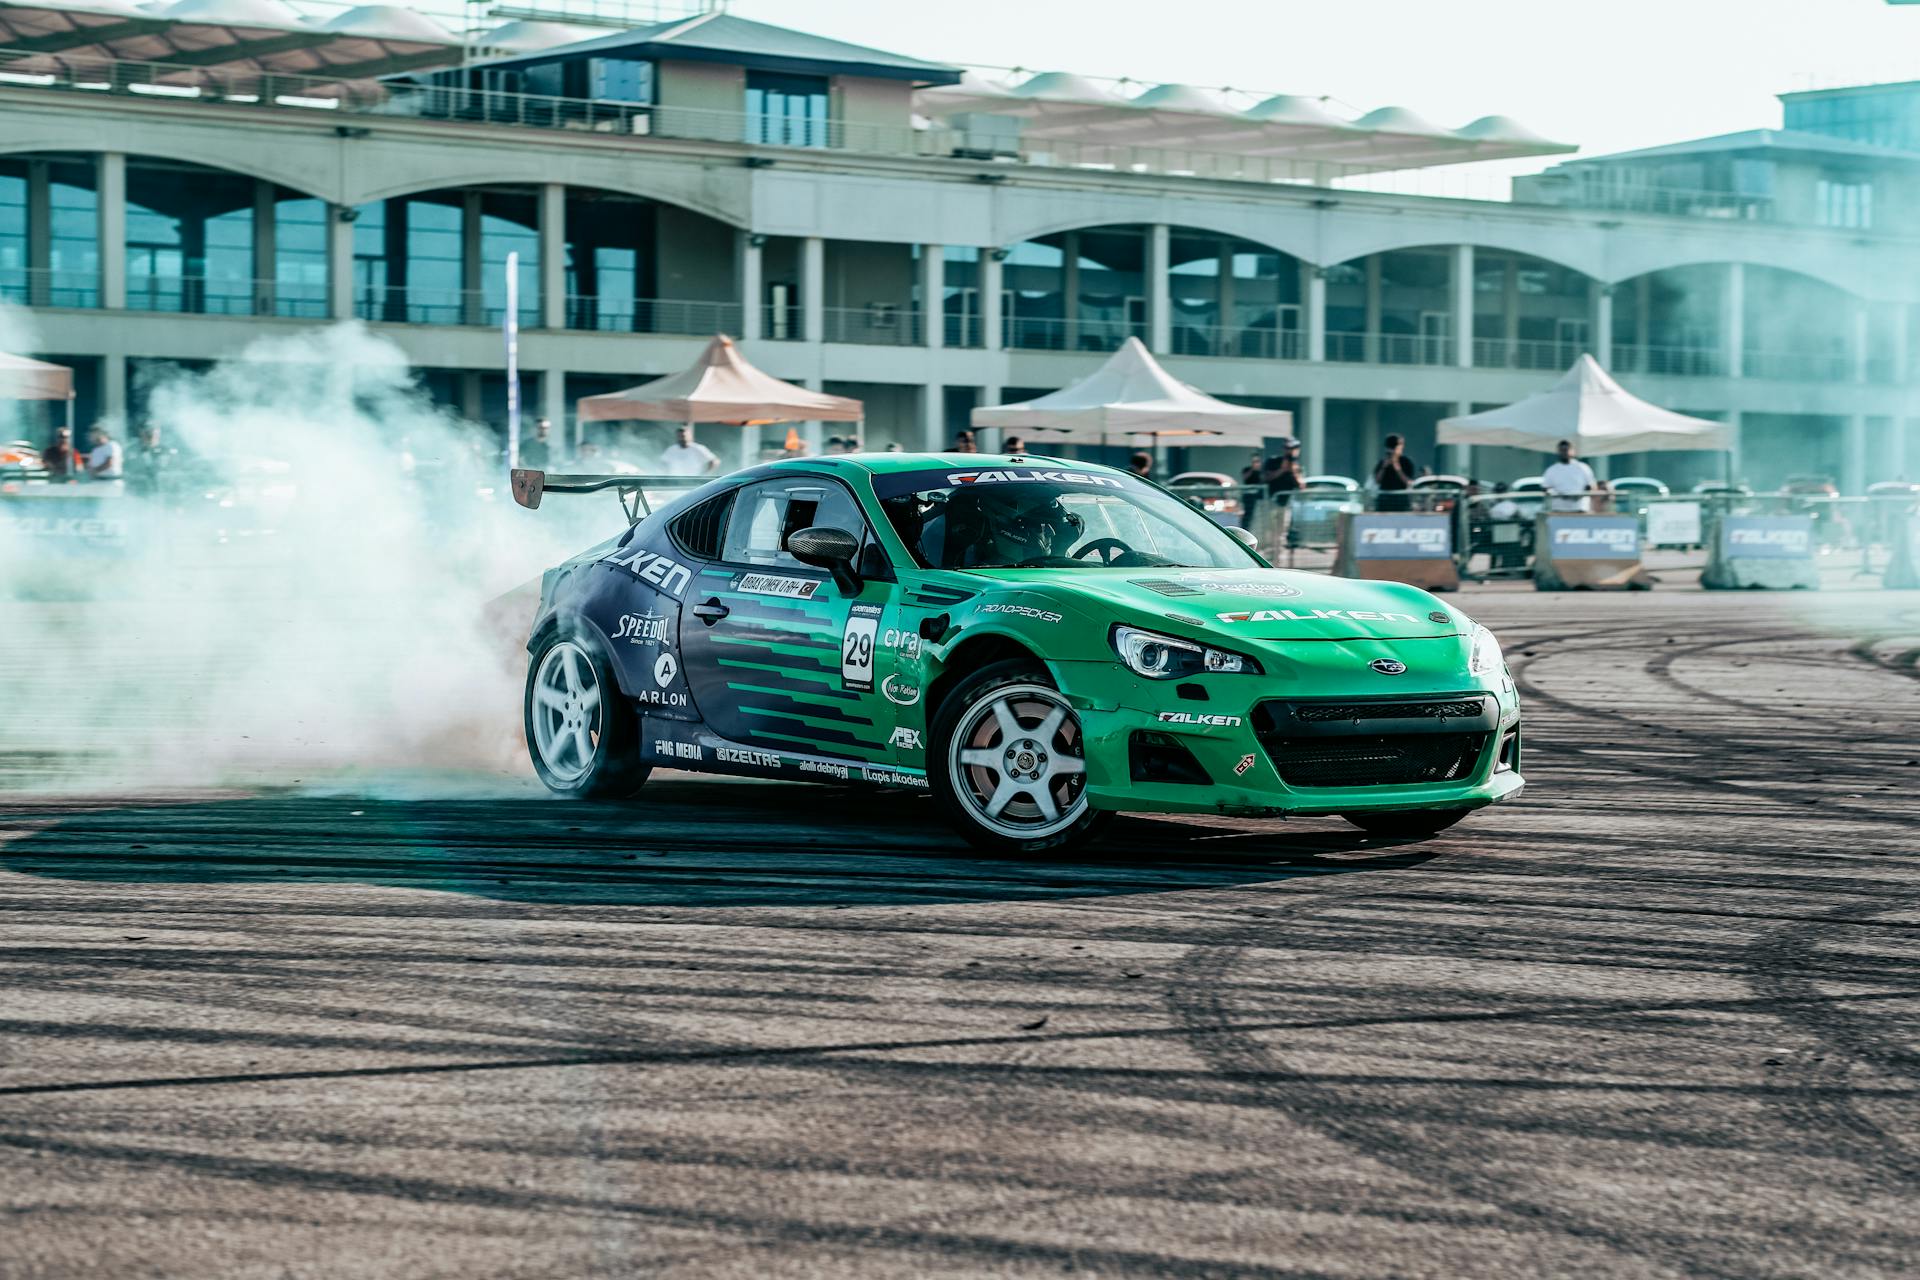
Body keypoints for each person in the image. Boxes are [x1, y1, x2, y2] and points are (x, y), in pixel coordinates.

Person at [1542, 438, 1600, 512]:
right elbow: (1545, 488)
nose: (1564, 453)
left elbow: (1591, 486)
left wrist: (1579, 496)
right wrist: (1560, 495)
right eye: (1562, 450)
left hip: (1580, 508)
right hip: (1559, 509)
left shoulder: (1583, 468)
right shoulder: (1551, 470)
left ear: (1573, 451)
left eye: (1566, 450)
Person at [125, 424, 175, 498]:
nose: (150, 436)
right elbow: (125, 469)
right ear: (141, 433)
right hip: (137, 491)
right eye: (147, 433)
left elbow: (162, 469)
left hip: (161, 490)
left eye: (153, 433)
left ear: (158, 434)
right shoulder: (131, 450)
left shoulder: (165, 450)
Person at [1373, 433, 1416, 512]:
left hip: (1401, 502)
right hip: (1384, 502)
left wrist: (1397, 467)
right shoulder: (1382, 462)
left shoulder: (1406, 462)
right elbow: (1377, 481)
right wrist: (1384, 467)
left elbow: (1408, 482)